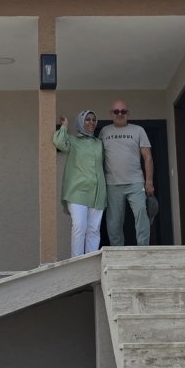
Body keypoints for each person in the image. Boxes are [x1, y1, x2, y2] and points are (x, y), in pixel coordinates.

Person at [99, 101, 154, 246]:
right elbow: (98, 157)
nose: (120, 114)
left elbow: (147, 157)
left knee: (141, 212)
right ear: (111, 114)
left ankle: (143, 248)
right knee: (114, 221)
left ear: (128, 113)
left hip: (136, 182)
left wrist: (149, 181)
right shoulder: (104, 131)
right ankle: (117, 251)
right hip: (112, 183)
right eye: (116, 111)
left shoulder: (138, 130)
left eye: (123, 111)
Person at [53, 109, 107, 257]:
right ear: (81, 122)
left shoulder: (99, 143)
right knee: (79, 226)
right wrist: (64, 126)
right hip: (77, 192)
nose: (91, 122)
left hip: (97, 192)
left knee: (94, 230)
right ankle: (77, 263)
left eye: (93, 120)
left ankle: (90, 264)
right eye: (87, 119)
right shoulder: (73, 140)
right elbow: (59, 143)